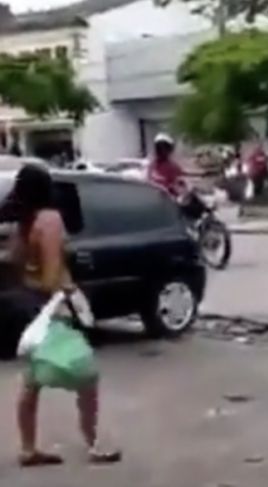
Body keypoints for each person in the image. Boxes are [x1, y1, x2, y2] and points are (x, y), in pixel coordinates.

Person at [0, 164, 120, 466]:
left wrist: (30, 280)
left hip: (29, 311)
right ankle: (94, 443)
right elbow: (53, 277)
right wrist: (68, 290)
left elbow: (16, 263)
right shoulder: (50, 220)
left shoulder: (23, 224)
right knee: (87, 377)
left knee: (31, 382)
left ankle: (29, 448)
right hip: (53, 310)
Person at [146, 133, 184, 198]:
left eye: (165, 147)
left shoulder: (171, 164)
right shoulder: (151, 162)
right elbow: (148, 180)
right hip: (155, 195)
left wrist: (201, 174)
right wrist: (161, 187)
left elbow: (181, 173)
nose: (162, 150)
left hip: (169, 198)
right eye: (159, 148)